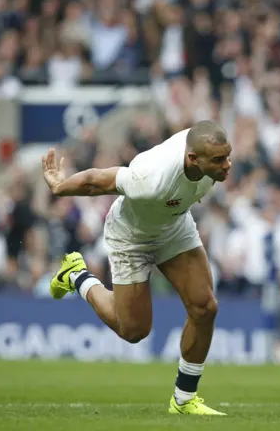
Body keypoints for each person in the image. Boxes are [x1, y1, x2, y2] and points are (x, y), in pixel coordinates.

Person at [43, 120, 231, 415]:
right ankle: (77, 275)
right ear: (193, 158)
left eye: (227, 156)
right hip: (131, 236)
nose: (227, 165)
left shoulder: (206, 151)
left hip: (173, 227)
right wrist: (59, 186)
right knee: (133, 331)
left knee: (205, 307)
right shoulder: (151, 178)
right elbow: (97, 180)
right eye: (219, 160)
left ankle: (183, 399)